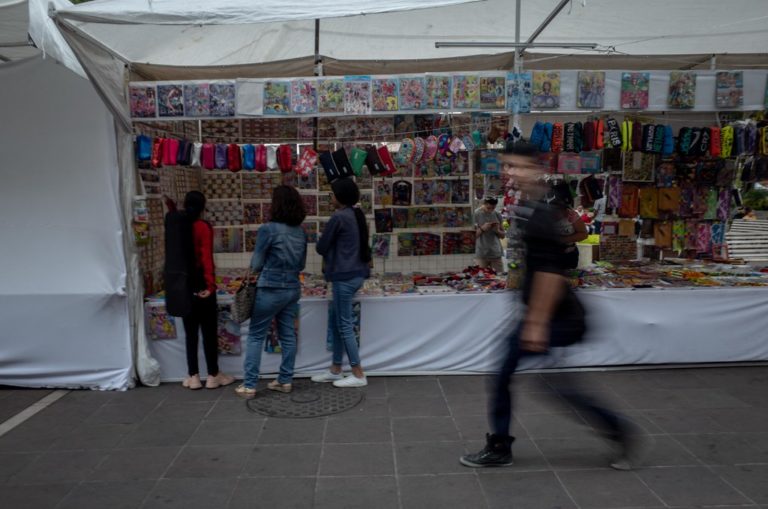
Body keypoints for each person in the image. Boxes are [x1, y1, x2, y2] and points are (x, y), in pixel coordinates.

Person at [460, 141, 640, 470]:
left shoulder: (541, 213)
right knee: (515, 377)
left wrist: (536, 323)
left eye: (518, 166)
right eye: (508, 166)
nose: (511, 172)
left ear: (537, 170)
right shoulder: (528, 207)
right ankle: (500, 444)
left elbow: (550, 273)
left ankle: (619, 431)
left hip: (556, 317)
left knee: (555, 387)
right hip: (542, 314)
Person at [235, 186, 307, 398]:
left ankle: (249, 384)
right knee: (288, 335)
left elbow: (256, 263)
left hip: (270, 288)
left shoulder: (268, 230)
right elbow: (301, 264)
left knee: (256, 335)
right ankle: (285, 380)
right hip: (292, 288)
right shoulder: (301, 231)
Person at [168, 191, 235, 390]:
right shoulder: (202, 227)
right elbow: (206, 258)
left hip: (184, 287)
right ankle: (213, 375)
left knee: (190, 334)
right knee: (208, 333)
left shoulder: (177, 225)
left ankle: (193, 376)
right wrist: (210, 286)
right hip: (202, 287)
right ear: (203, 208)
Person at [312, 178, 372, 388]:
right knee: (339, 323)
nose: (331, 196)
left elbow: (321, 247)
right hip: (356, 274)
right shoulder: (357, 215)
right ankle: (336, 369)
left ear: (340, 196)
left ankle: (358, 372)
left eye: (333, 193)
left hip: (343, 276)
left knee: (344, 324)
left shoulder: (338, 217)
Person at [551, 182, 588, 269]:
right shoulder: (545, 213)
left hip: (568, 255)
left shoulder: (572, 214)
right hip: (550, 255)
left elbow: (584, 234)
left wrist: (562, 240)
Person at [474, 196, 506, 273]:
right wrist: (482, 229)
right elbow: (472, 237)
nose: (491, 210)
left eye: (493, 208)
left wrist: (497, 231)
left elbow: (503, 236)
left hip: (495, 253)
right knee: (481, 279)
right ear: (483, 204)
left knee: (499, 278)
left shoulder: (497, 214)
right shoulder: (476, 214)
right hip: (481, 253)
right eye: (488, 208)